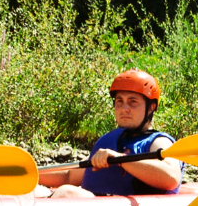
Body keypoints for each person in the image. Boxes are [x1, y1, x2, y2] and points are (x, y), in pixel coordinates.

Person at [43, 70, 183, 198]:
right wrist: (29, 175)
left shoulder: (158, 142)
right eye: (119, 101)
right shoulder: (112, 139)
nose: (124, 109)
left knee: (68, 193)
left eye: (132, 102)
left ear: (151, 107)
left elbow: (171, 177)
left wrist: (121, 159)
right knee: (32, 191)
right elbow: (70, 176)